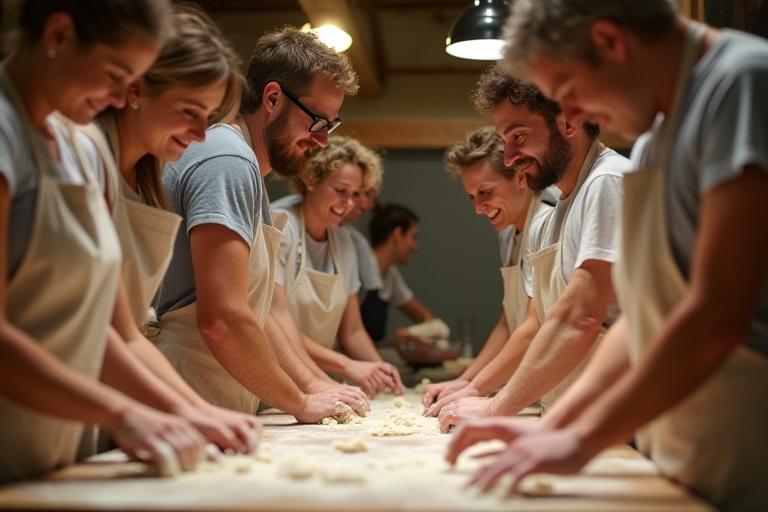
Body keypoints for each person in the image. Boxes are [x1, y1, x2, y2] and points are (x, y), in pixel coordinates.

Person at [447, 2, 768, 510]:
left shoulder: (741, 83)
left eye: (570, 93)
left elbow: (717, 313)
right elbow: (640, 319)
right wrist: (551, 428)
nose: (572, 118)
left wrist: (580, 440)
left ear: (611, 42)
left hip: (747, 440)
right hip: (685, 446)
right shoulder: (654, 143)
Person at [0, 0, 205, 483]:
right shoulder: (7, 132)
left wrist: (193, 411)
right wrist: (121, 413)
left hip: (54, 451)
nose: (119, 98)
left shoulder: (79, 147)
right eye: (115, 75)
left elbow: (113, 334)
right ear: (59, 35)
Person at [152, 27, 369, 423]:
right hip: (185, 395)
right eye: (317, 122)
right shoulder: (228, 162)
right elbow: (224, 319)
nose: (322, 142)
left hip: (217, 398)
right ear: (272, 98)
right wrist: (300, 403)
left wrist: (314, 383)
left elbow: (265, 311)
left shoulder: (246, 167)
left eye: (330, 127)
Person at [85, 4, 262, 453]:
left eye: (210, 116)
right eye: (190, 111)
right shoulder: (83, 158)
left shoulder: (147, 181)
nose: (202, 134)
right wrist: (187, 410)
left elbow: (124, 331)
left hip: (89, 413)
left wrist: (199, 413)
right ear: (137, 88)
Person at [431, 65, 631, 431]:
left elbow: (582, 318)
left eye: (518, 136)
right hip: (570, 419)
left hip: (614, 423)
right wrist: (476, 389)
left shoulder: (607, 182)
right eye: (504, 141)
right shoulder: (555, 218)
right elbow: (539, 322)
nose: (509, 158)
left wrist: (493, 408)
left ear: (569, 121)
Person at [422, 126, 553, 409]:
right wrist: (466, 381)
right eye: (472, 196)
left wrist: (477, 389)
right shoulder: (508, 235)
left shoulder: (546, 224)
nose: (478, 207)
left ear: (520, 177)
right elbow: (509, 323)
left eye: (486, 192)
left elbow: (534, 327)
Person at [271, 136, 405, 397]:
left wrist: (378, 367)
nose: (350, 203)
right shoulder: (279, 227)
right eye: (340, 190)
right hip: (277, 379)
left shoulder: (344, 242)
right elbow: (276, 321)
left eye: (356, 194)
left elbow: (352, 330)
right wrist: (347, 365)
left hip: (319, 378)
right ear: (310, 179)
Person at [360, 203, 434, 342]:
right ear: (398, 234)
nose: (415, 246)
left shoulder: (390, 275)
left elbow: (424, 317)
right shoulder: (359, 269)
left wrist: (412, 332)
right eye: (413, 237)